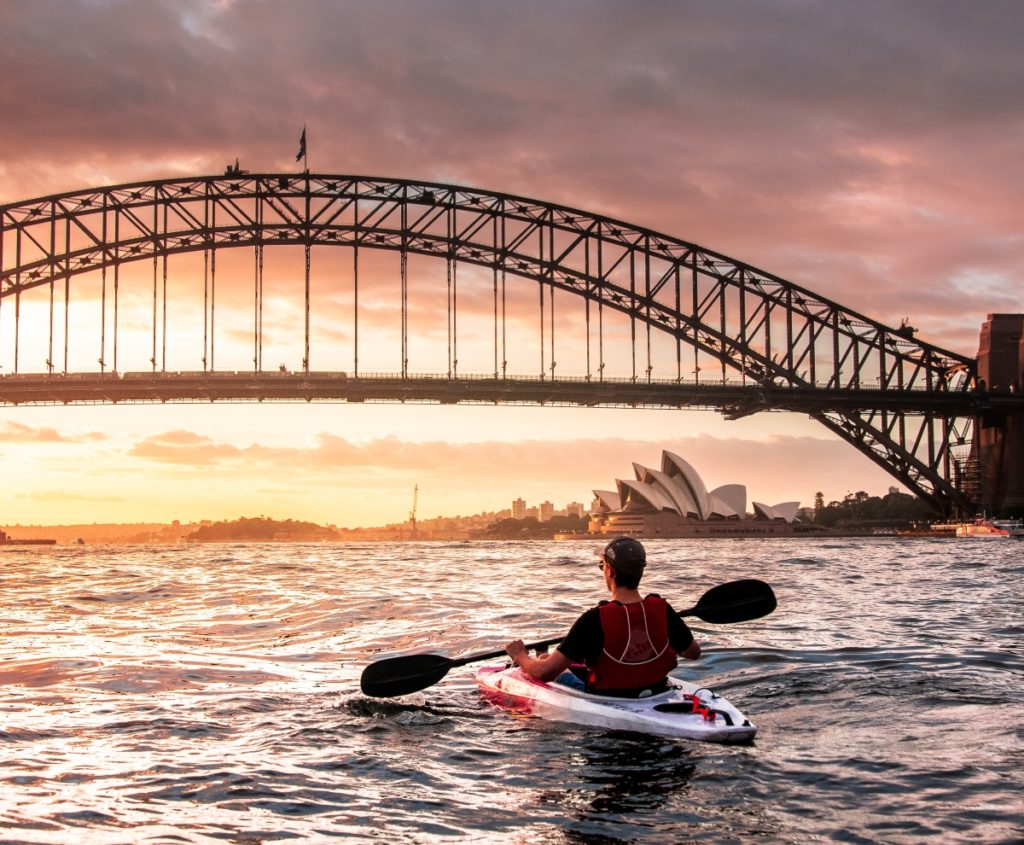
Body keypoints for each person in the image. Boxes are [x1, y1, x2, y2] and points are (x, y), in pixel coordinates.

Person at [505, 537, 701, 697]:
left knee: (545, 663)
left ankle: (536, 657)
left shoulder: (594, 619)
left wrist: (520, 655)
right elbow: (693, 653)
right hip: (657, 690)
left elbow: (545, 673)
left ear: (610, 571)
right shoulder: (663, 609)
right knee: (546, 657)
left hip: (606, 697)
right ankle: (542, 656)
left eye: (602, 565)